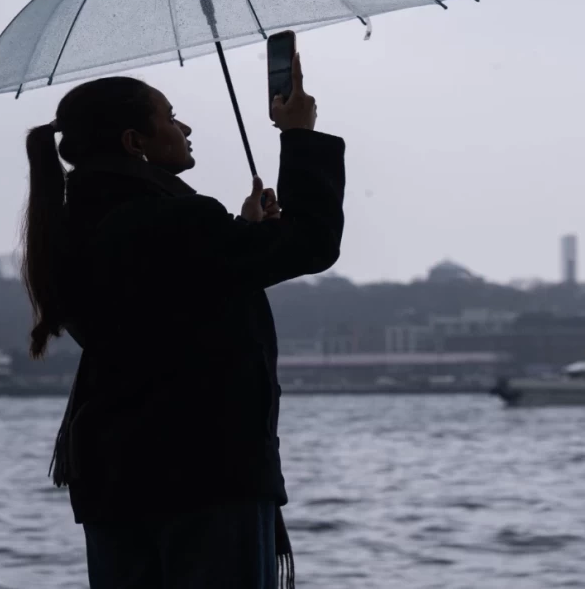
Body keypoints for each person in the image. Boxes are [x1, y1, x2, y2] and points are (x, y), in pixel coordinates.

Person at [20, 47, 344, 589]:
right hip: (204, 473)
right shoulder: (175, 220)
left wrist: (243, 238)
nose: (184, 125)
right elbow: (311, 244)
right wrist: (299, 135)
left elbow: (169, 307)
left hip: (113, 477)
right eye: (169, 116)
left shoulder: (72, 229)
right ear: (135, 144)